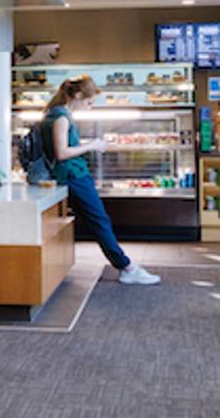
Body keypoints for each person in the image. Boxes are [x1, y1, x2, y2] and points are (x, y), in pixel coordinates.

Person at [43, 76, 160, 285]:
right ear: (77, 95)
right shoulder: (62, 117)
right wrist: (92, 145)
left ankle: (125, 265)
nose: (90, 107)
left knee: (96, 221)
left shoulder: (53, 113)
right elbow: (61, 153)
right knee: (99, 220)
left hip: (68, 175)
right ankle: (126, 267)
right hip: (73, 175)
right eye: (89, 102)